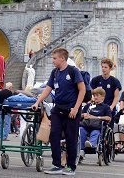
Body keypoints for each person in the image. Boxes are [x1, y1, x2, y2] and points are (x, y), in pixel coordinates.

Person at [31, 47, 85, 176]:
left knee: (71, 138)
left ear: (62, 58)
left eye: (54, 58)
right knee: (54, 135)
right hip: (58, 108)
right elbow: (48, 89)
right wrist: (37, 102)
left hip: (72, 109)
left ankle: (70, 167)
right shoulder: (54, 73)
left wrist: (76, 108)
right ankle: (56, 164)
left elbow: (82, 90)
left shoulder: (73, 71)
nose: (53, 61)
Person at [79, 88, 111, 162]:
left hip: (97, 126)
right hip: (86, 125)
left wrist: (96, 117)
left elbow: (109, 118)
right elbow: (80, 115)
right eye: (94, 95)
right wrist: (83, 115)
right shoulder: (88, 106)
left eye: (97, 95)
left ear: (102, 97)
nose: (95, 97)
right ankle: (81, 150)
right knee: (81, 131)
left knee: (95, 133)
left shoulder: (105, 107)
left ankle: (91, 144)